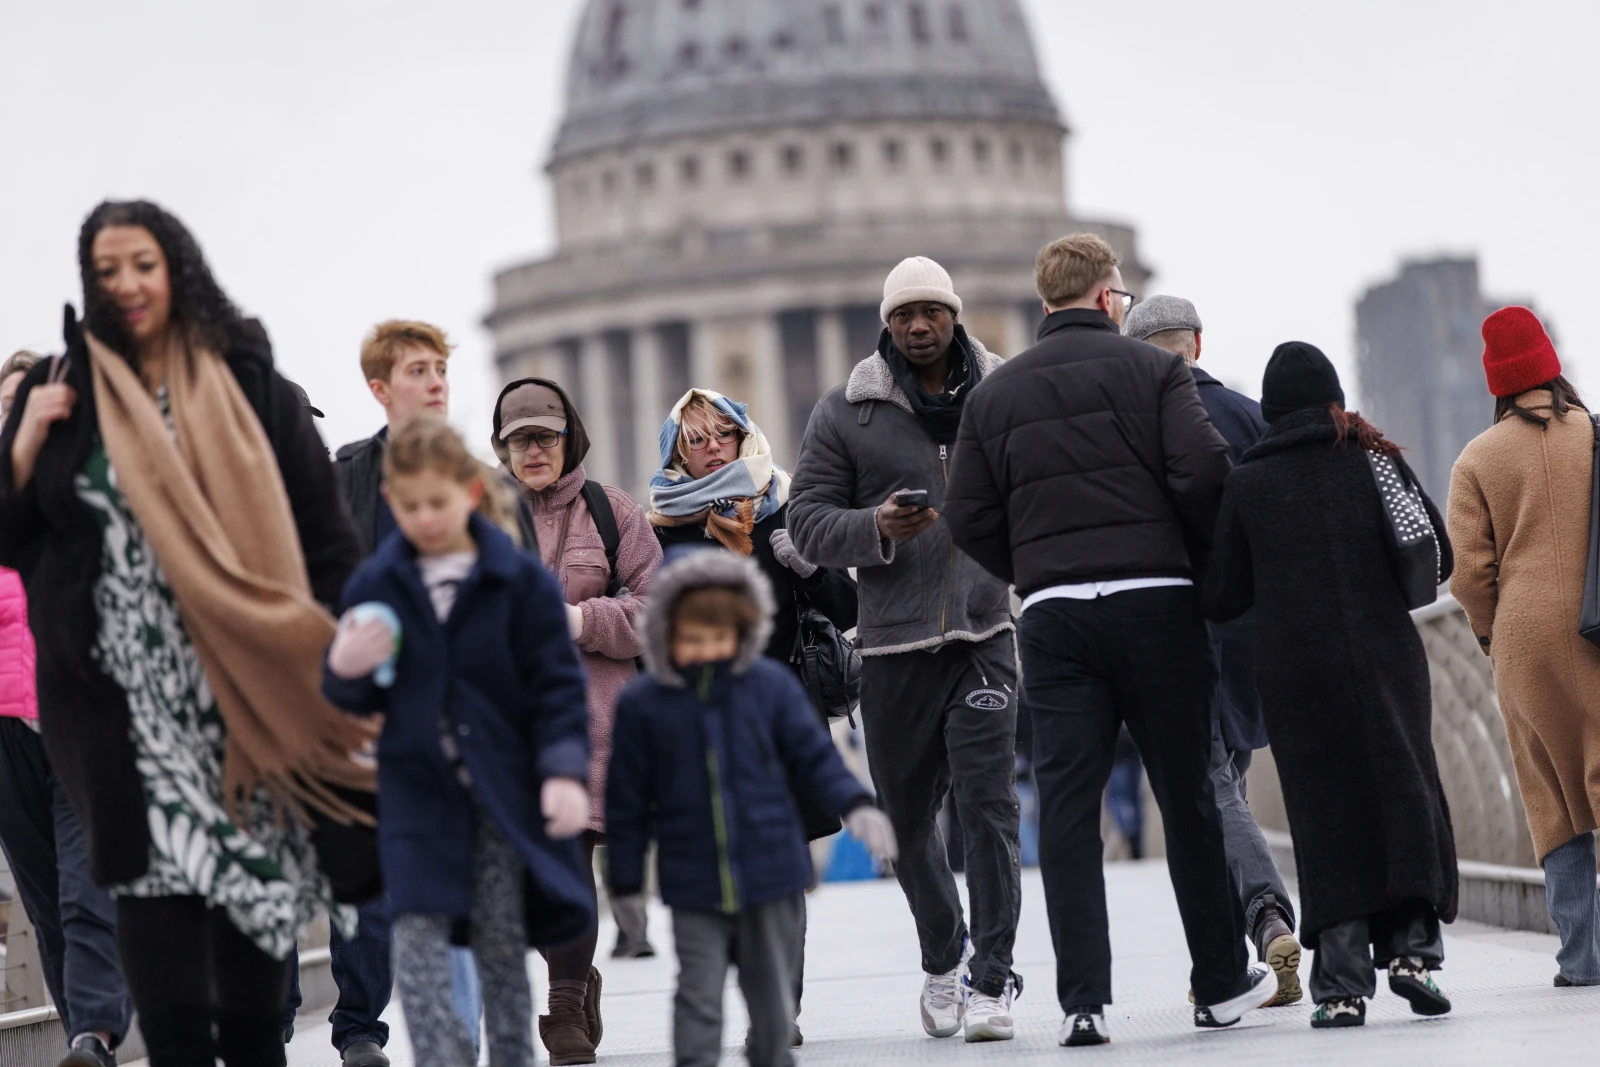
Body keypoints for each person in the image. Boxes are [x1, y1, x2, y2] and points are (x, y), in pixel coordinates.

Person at [0, 200, 368, 1066]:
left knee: (249, 987)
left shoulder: (249, 380)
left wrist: (348, 657)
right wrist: (22, 451)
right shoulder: (64, 392)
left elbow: (323, 537)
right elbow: (13, 543)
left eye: (143, 263)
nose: (126, 284)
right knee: (162, 973)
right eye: (107, 270)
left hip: (243, 707)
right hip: (120, 718)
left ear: (178, 267)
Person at [942, 234, 1275, 1046]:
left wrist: (1035, 567)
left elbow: (968, 516)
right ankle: (1219, 984)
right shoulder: (1156, 372)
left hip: (1056, 616)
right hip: (1157, 603)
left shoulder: (994, 394)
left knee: (1066, 810)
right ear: (1104, 297)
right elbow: (1205, 475)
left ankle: (1083, 1001)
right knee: (1189, 798)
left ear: (1044, 301)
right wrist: (1181, 558)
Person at [789, 256, 1024, 1043]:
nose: (918, 326)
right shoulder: (846, 412)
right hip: (892, 645)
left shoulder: (1004, 394)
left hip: (985, 633)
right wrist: (875, 529)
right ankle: (943, 954)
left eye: (932, 311)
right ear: (886, 323)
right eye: (903, 315)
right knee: (905, 817)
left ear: (954, 314)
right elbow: (806, 521)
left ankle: (992, 974)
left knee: (990, 808)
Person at [323, 418, 595, 1067]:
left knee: (499, 955)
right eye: (410, 505)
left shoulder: (518, 582)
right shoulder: (375, 585)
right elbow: (350, 704)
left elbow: (557, 689)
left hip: (499, 803)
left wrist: (563, 772)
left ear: (470, 494)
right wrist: (343, 669)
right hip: (414, 805)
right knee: (420, 953)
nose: (425, 519)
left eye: (437, 503)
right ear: (390, 501)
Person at [1205, 341, 1458, 1029]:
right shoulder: (1373, 456)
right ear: (1333, 399)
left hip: (1296, 673)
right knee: (1404, 790)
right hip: (1386, 659)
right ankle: (1412, 952)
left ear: (1269, 411)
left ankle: (1342, 985)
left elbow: (1223, 595)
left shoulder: (1248, 482)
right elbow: (1437, 553)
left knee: (1326, 815)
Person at [606, 548, 897, 1067]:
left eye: (718, 637)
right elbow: (626, 798)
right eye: (692, 638)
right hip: (694, 885)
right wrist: (625, 884)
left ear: (742, 629)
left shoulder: (770, 688)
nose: (706, 652)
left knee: (771, 1002)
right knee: (698, 996)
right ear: (666, 631)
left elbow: (813, 756)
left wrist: (856, 803)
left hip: (771, 877)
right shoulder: (645, 704)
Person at [286, 320, 477, 1067]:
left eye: (439, 369)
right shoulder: (346, 475)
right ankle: (349, 1027)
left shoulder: (475, 480)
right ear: (380, 387)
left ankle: (436, 1035)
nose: (434, 382)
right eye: (416, 370)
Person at [648, 388, 858, 1044]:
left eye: (725, 434)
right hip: (695, 724)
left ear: (745, 438)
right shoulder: (660, 528)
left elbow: (848, 608)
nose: (714, 448)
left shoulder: (785, 507)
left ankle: (778, 1010)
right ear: (677, 452)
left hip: (777, 717)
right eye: (697, 439)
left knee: (782, 868)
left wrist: (811, 567)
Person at [1123, 296, 1302, 1005]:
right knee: (1226, 785)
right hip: (1253, 627)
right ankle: (1255, 965)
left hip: (1179, 623)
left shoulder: (1137, 428)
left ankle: (1267, 913)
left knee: (1210, 786)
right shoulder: (1251, 416)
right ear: (1196, 344)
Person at [491, 377, 663, 1064]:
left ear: (570, 439)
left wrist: (580, 620)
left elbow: (657, 609)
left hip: (593, 720)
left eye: (546, 436)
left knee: (567, 862)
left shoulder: (612, 511)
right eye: (519, 440)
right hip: (506, 724)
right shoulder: (480, 517)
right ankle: (577, 974)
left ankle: (562, 1008)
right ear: (502, 448)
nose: (533, 450)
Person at [1447, 306, 1600, 988]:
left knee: (1552, 801)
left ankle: (1581, 958)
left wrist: (1491, 633)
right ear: (1549, 362)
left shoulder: (1477, 458)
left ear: (1496, 379)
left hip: (1524, 641)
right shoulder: (1593, 434)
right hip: (1598, 628)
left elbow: (1468, 574)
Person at [0, 350, 134, 1067]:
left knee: (87, 889)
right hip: (6, 732)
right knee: (48, 904)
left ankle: (93, 1032)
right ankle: (90, 1044)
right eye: (7, 403)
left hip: (83, 722)